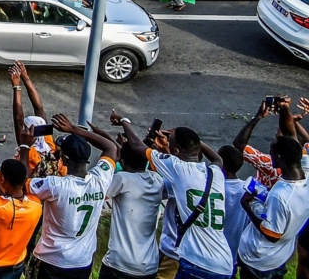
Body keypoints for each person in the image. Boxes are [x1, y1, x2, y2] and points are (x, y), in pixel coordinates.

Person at [119, 116, 234, 279]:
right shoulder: (215, 173)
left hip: (197, 263)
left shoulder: (178, 167)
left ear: (176, 152)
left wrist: (124, 121)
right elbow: (217, 159)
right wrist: (192, 140)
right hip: (224, 263)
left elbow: (137, 145)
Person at [26, 114, 119, 279]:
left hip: (52, 261)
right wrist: (74, 129)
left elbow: (24, 183)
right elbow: (111, 147)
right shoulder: (101, 179)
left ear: (64, 159)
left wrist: (25, 147)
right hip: (82, 262)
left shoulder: (55, 185)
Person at [237, 134, 309, 279]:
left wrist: (247, 205)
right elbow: (296, 144)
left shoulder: (280, 195)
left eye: (271, 152)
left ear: (280, 157)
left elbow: (272, 234)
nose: (270, 156)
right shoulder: (306, 174)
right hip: (279, 257)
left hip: (259, 260)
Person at [100, 141, 165, 279]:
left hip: (119, 264)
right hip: (148, 266)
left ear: (122, 162)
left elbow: (97, 195)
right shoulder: (157, 180)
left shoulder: (122, 179)